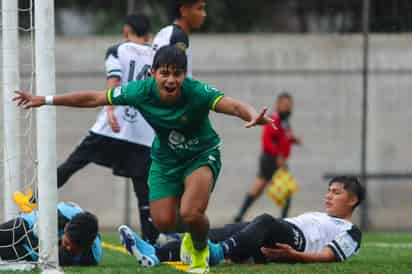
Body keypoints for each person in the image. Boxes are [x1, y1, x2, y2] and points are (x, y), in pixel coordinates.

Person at [13, 45, 273, 273]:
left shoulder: (196, 92)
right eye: (165, 73)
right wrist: (44, 100)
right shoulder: (139, 91)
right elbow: (94, 98)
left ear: (185, 75)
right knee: (162, 221)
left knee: (191, 212)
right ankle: (196, 236)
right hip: (164, 159)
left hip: (200, 154)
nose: (171, 80)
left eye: (177, 74)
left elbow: (234, 105)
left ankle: (201, 250)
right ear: (153, 73)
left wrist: (251, 115)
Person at [15, 14, 160, 244]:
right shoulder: (155, 54)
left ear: (126, 31)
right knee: (142, 186)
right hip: (141, 131)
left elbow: (115, 78)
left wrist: (111, 111)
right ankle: (151, 241)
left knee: (74, 162)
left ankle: (32, 200)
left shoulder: (118, 49)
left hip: (111, 126)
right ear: (149, 35)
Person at [118, 176, 364, 267]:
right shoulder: (321, 215)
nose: (328, 195)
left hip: (294, 243)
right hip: (275, 240)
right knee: (225, 230)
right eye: (329, 190)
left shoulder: (351, 231)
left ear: (353, 200)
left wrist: (295, 255)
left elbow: (330, 256)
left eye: (336, 192)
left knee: (266, 221)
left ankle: (218, 253)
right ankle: (154, 254)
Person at [234, 92, 301, 222]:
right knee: (282, 189)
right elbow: (267, 140)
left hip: (277, 159)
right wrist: (278, 156)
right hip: (271, 159)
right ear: (278, 105)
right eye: (285, 105)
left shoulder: (284, 122)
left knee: (259, 187)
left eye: (289, 105)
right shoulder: (274, 119)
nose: (288, 108)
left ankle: (240, 215)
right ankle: (283, 220)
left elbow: (283, 138)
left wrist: (293, 140)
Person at [0, 202, 101, 266]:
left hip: (32, 253)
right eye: (66, 243)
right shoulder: (60, 214)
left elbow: (56, 259)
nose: (69, 248)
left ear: (89, 245)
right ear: (65, 228)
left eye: (75, 250)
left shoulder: (91, 257)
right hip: (27, 225)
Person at [152, 0, 206, 77]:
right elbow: (177, 81)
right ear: (183, 11)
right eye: (199, 8)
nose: (204, 14)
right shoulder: (178, 37)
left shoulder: (167, 31)